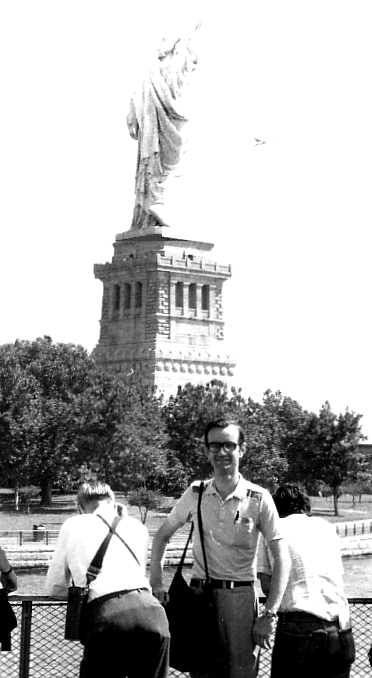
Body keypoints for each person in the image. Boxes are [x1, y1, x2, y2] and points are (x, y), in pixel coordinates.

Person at [150, 418, 291, 678]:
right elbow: (161, 537)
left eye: (229, 445)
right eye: (214, 446)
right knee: (201, 674)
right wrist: (156, 585)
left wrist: (268, 615)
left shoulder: (259, 498)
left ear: (242, 449)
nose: (222, 452)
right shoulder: (195, 493)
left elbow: (282, 559)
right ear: (206, 451)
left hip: (240, 600)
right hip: (198, 601)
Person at [45, 481, 170, 678]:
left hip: (108, 618)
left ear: (80, 507)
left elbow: (54, 587)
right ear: (114, 502)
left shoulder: (73, 524)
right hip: (154, 615)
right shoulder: (137, 527)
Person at [257, 483, 355, 678]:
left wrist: (267, 616)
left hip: (300, 630)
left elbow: (269, 586)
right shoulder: (326, 528)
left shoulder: (273, 531)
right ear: (304, 505)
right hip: (341, 628)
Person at [127, 25, 200, 230]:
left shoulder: (174, 68)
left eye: (164, 40)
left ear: (174, 45)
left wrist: (192, 38)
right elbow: (135, 101)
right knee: (156, 168)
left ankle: (161, 205)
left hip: (173, 128)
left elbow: (189, 61)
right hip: (155, 134)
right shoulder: (149, 76)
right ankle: (156, 206)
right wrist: (132, 113)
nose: (159, 45)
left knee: (170, 170)